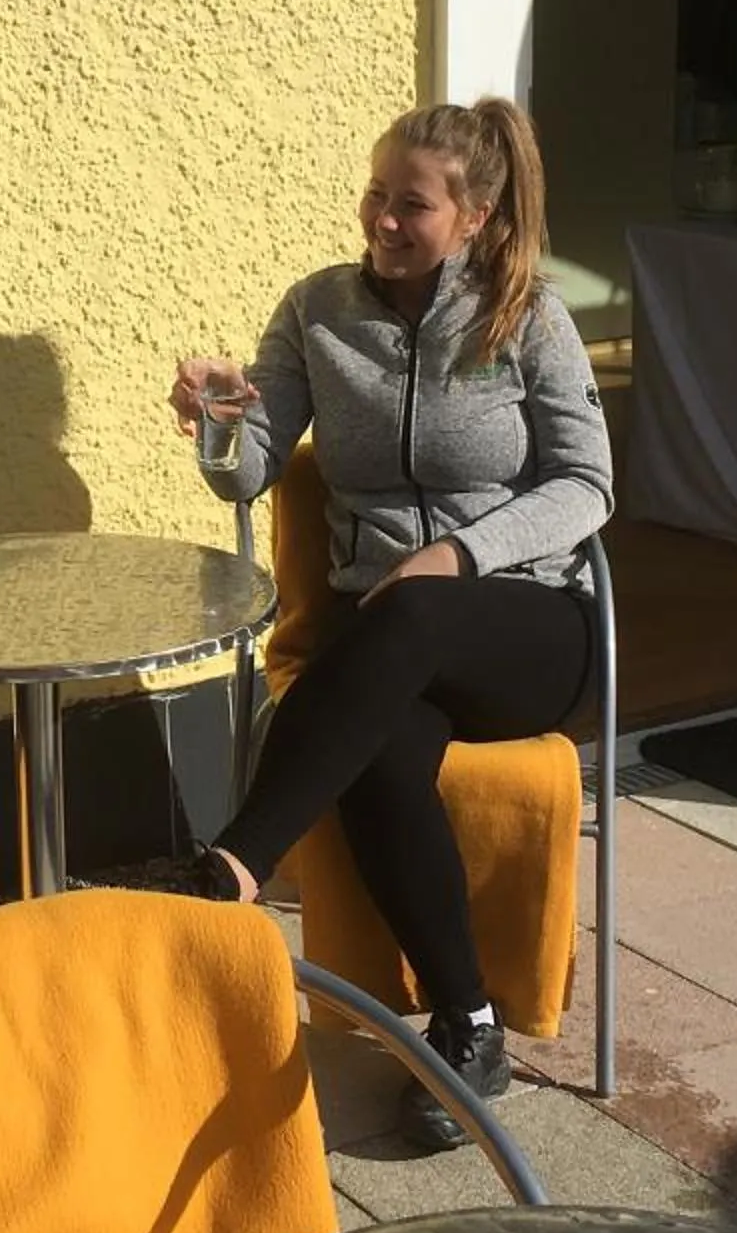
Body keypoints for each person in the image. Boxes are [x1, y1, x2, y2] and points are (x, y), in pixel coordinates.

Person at [152, 98, 612, 1150]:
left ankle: (233, 865)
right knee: (382, 758)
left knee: (405, 616)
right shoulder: (317, 309)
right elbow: (249, 475)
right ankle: (471, 1024)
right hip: (389, 648)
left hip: (528, 626)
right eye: (375, 194)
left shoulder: (527, 314)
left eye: (413, 204)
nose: (384, 220)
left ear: (478, 216)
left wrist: (459, 554)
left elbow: (589, 485)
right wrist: (221, 424)